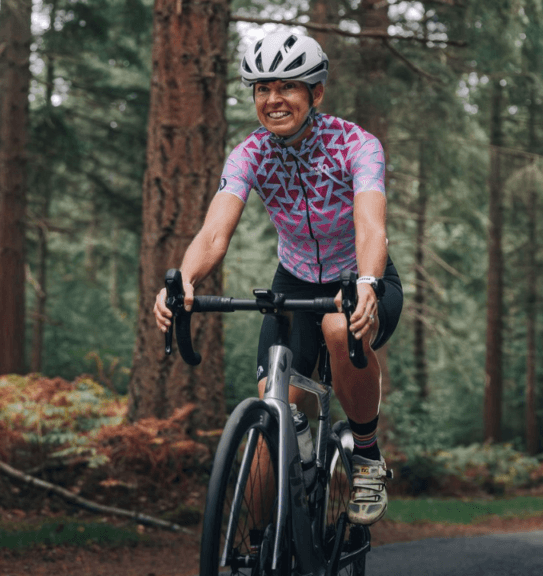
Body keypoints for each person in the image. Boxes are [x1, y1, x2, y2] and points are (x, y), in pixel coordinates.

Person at [152, 29, 403, 526]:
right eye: (262, 89)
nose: (273, 99)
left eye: (288, 87)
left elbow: (371, 227)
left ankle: (368, 458)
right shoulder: (250, 154)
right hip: (292, 287)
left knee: (338, 328)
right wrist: (183, 278)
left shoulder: (356, 145)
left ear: (317, 93)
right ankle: (265, 543)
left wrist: (368, 286)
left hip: (360, 279)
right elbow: (213, 234)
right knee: (273, 418)